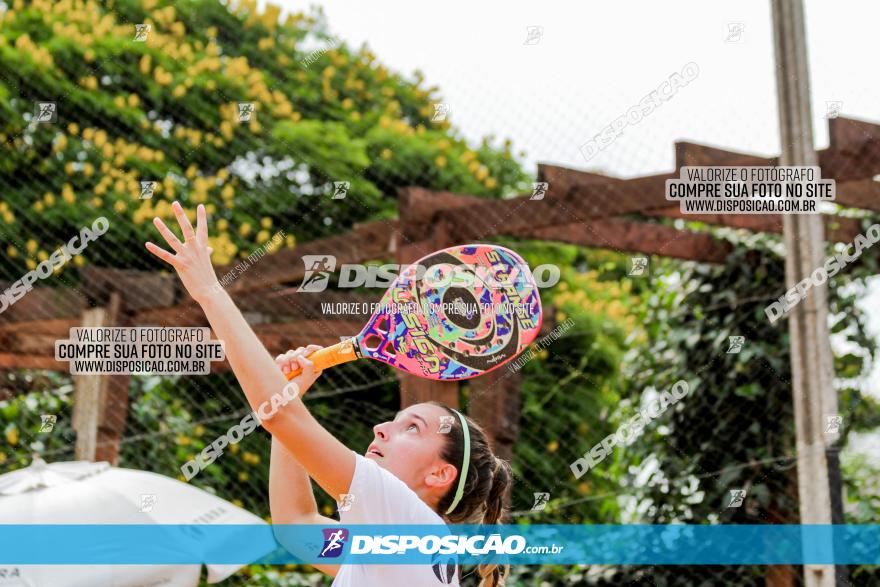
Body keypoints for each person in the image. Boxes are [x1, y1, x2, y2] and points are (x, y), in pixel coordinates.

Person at [145, 202, 512, 586]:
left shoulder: (406, 521)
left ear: (440, 473)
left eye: (413, 428)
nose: (381, 428)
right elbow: (296, 526)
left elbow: (279, 417)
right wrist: (289, 400)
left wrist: (208, 291)